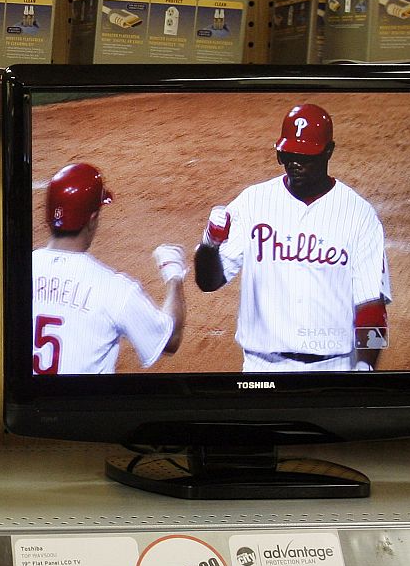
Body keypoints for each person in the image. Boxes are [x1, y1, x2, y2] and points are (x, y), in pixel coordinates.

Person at [194, 103, 389, 372]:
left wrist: (366, 369)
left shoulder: (359, 215)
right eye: (288, 154)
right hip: (262, 369)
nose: (295, 163)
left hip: (333, 369)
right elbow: (208, 282)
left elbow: (372, 307)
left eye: (306, 156)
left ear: (329, 152)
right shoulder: (252, 202)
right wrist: (209, 246)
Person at [31, 162, 186, 374]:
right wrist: (174, 274)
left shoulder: (13, 275)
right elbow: (171, 338)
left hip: (24, 405)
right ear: (92, 219)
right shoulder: (114, 290)